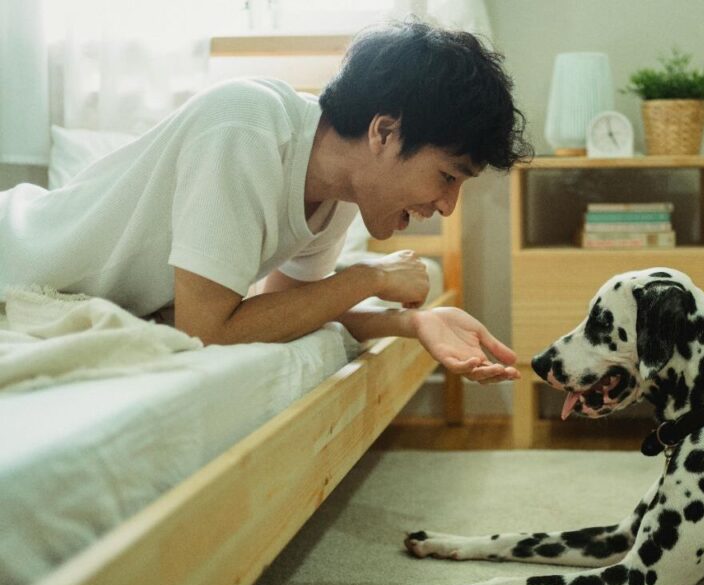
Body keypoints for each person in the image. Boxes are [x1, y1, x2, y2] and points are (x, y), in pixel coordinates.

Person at [0, 20, 533, 384]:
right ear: (385, 133)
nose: (446, 206)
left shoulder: (339, 193)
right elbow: (207, 333)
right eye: (446, 177)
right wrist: (367, 277)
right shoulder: (244, 123)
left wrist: (410, 323)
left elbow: (276, 316)